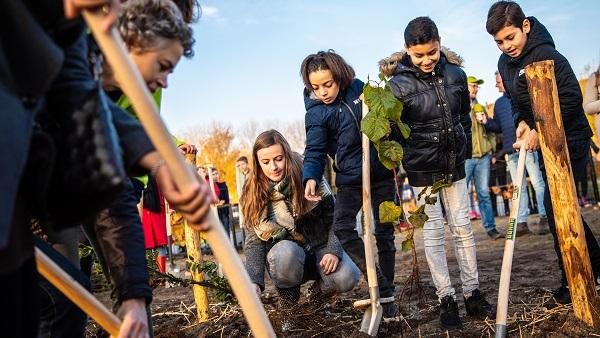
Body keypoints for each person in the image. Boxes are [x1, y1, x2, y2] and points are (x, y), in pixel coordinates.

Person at [379, 16, 494, 329]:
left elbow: (463, 118)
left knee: (462, 227)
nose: (427, 60)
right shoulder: (397, 86)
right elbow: (394, 131)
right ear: (407, 51)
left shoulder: (456, 74)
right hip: (422, 169)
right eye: (419, 55)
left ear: (439, 44)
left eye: (432, 52)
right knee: (432, 232)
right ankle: (446, 297)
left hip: (454, 164)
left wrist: (464, 152)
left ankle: (472, 293)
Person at [487, 0, 600, 305]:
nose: (506, 46)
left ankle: (580, 275)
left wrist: (541, 128)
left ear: (525, 26)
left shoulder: (547, 55)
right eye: (498, 42)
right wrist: (523, 122)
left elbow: (571, 99)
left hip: (570, 141)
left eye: (510, 37)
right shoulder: (504, 64)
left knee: (558, 208)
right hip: (542, 141)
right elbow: (514, 100)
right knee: (557, 210)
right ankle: (585, 271)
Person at [301, 50, 397, 316]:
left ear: (340, 76)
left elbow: (385, 115)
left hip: (381, 171)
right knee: (343, 227)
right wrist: (310, 175)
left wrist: (389, 126)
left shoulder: (360, 89)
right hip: (350, 179)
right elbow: (315, 149)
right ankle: (380, 283)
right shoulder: (317, 112)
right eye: (315, 87)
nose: (323, 92)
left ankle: (387, 300)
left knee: (384, 233)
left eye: (328, 84)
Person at [242, 130, 360, 331]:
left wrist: (333, 249)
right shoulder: (252, 190)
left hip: (321, 248)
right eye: (266, 162)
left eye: (279, 159)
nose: (273, 167)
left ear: (286, 154)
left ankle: (316, 295)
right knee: (284, 253)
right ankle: (289, 309)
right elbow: (254, 241)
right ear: (257, 162)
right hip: (288, 257)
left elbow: (336, 217)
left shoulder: (308, 173)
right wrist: (254, 281)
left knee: (347, 276)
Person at [482, 71, 548, 235]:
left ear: (505, 80)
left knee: (537, 182)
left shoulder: (519, 98)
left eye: (498, 81)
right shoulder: (498, 104)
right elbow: (498, 127)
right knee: (518, 187)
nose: (496, 84)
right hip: (511, 151)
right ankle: (522, 222)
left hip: (527, 147)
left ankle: (545, 217)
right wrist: (486, 122)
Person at [464, 76, 502, 239]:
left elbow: (491, 131)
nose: (475, 89)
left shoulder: (480, 107)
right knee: (460, 195)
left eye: (476, 87)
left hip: (483, 157)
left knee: (484, 194)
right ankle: (463, 232)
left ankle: (490, 228)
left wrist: (491, 150)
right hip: (465, 158)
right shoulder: (459, 107)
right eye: (472, 86)